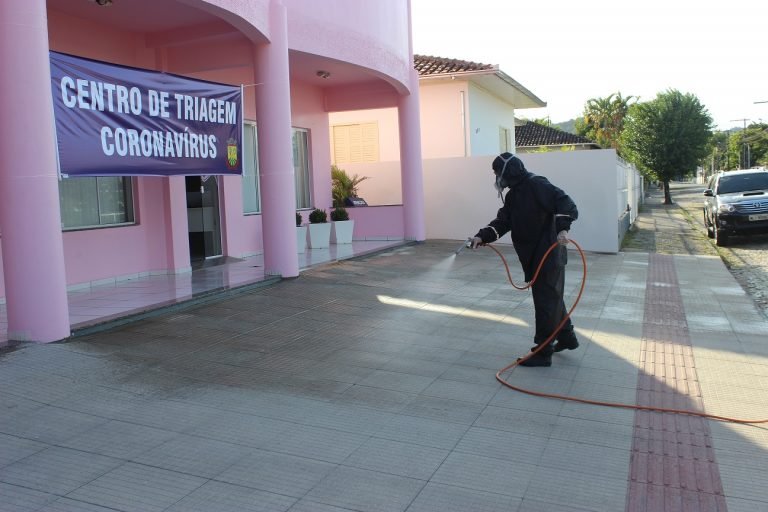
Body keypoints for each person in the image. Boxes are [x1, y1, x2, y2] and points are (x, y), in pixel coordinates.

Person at [470, 153, 579, 367]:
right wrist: (481, 236)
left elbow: (567, 204)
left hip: (548, 253)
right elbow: (502, 222)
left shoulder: (537, 184)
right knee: (552, 297)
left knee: (546, 301)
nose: (496, 178)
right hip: (533, 255)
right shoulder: (513, 195)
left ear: (507, 172)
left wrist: (563, 229)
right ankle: (567, 338)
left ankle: (542, 352)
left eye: (496, 173)